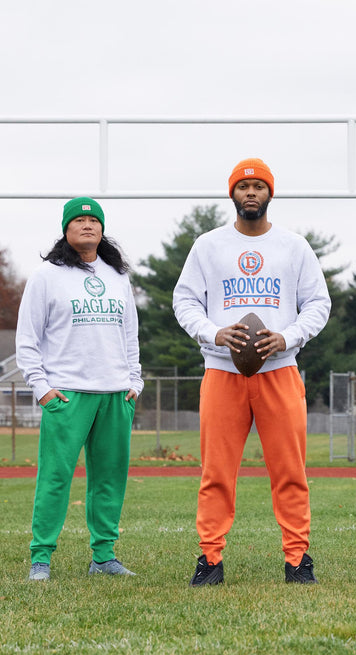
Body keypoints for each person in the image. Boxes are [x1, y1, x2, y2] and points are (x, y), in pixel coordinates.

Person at [173, 158, 331, 587]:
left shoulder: (294, 246)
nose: (251, 193)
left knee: (290, 471)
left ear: (269, 194)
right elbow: (184, 300)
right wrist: (213, 332)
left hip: (279, 372)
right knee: (217, 472)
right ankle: (210, 558)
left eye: (259, 186)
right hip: (222, 373)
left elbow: (319, 303)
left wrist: (289, 336)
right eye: (243, 187)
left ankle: (297, 559)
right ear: (232, 194)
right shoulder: (208, 245)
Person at [16, 197, 143, 581]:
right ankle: (41, 558)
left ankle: (103, 557)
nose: (87, 225)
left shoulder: (118, 275)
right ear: (66, 229)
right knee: (55, 477)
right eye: (79, 220)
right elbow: (27, 339)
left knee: (109, 478)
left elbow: (130, 334)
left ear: (102, 230)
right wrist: (42, 388)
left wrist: (134, 380)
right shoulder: (47, 275)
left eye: (94, 220)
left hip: (116, 394)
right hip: (67, 394)